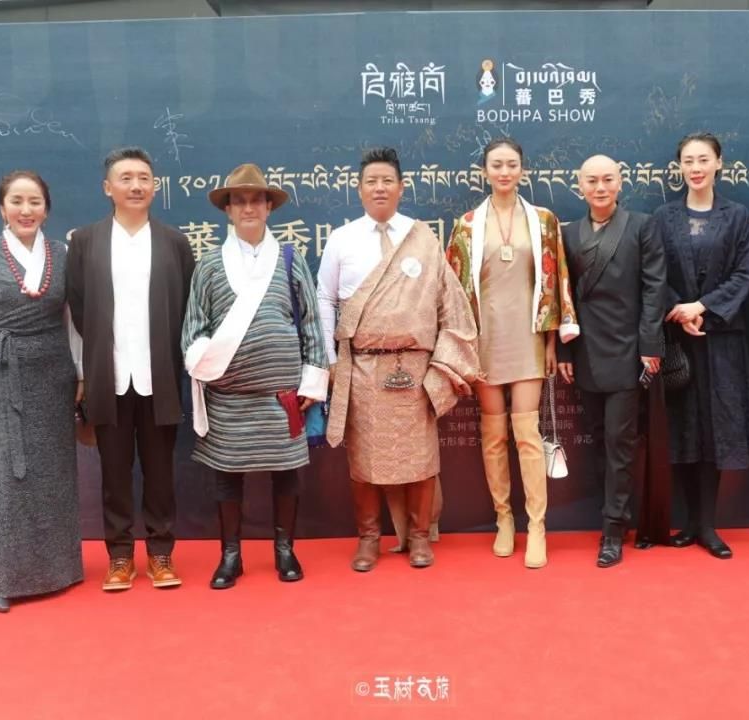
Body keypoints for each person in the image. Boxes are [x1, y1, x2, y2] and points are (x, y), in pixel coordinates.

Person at [318, 147, 480, 571]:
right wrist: (330, 359)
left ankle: (420, 537)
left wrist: (444, 364)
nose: (379, 188)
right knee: (364, 461)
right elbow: (324, 300)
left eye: (387, 181)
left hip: (415, 368)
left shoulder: (422, 238)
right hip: (362, 367)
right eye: (371, 181)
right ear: (359, 189)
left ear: (401, 188)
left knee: (421, 458)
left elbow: (451, 305)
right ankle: (369, 539)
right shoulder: (342, 239)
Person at [181, 164, 328, 588]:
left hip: (281, 396)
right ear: (228, 210)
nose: (248, 208)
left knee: (286, 474)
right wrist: (204, 361)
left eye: (256, 200)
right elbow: (193, 328)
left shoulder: (289, 259)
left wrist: (312, 381)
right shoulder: (210, 265)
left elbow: (311, 323)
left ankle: (285, 550)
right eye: (239, 201)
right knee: (227, 477)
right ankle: (231, 555)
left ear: (268, 208)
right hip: (228, 399)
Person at [445, 137, 578, 568]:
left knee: (527, 433)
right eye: (497, 165)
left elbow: (557, 282)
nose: (504, 172)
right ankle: (504, 519)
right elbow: (453, 293)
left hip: (529, 338)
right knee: (494, 435)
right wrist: (461, 351)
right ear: (484, 171)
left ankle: (537, 525)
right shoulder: (466, 225)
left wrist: (553, 341)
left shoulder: (543, 221)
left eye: (512, 164)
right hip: (484, 340)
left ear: (523, 170)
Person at [66, 147, 196, 590]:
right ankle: (119, 557)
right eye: (126, 178)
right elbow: (79, 307)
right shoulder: (86, 242)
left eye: (144, 178)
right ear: (108, 188)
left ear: (155, 187)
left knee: (161, 473)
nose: (136, 185)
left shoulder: (175, 242)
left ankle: (161, 553)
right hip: (110, 377)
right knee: (114, 474)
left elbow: (187, 308)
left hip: (161, 377)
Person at [0, 170, 83, 612]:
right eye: (17, 201)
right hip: (4, 370)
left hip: (54, 373)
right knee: (8, 477)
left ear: (46, 208)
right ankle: (2, 577)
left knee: (54, 473)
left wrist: (81, 373)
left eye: (34, 202)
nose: (26, 210)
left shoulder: (63, 254)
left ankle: (60, 568)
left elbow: (74, 322)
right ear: (2, 208)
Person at [653, 132, 749, 560]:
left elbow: (745, 273)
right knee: (683, 429)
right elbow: (654, 274)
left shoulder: (737, 217)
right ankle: (688, 523)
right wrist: (680, 311)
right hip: (678, 342)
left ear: (719, 163)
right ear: (679, 167)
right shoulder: (663, 217)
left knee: (715, 429)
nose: (695, 168)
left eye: (703, 159)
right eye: (688, 160)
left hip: (721, 340)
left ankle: (708, 525)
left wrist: (703, 307)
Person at [557, 155, 666, 568]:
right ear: (579, 186)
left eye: (607, 180)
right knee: (600, 442)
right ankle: (612, 516)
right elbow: (561, 299)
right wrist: (565, 351)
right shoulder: (567, 234)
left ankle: (614, 531)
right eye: (592, 181)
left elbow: (655, 290)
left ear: (621, 183)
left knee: (621, 445)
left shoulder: (642, 226)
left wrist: (650, 345)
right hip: (585, 352)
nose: (600, 188)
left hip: (627, 351)